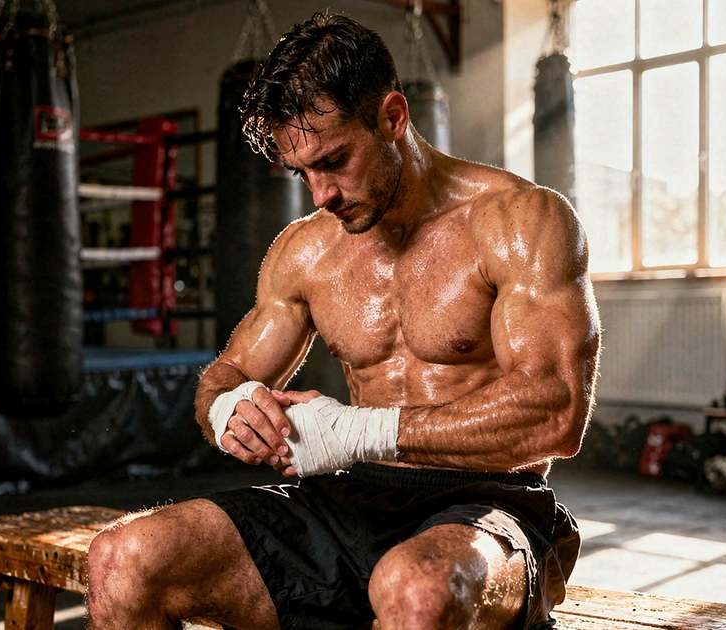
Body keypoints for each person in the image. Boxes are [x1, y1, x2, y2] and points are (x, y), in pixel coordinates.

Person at [87, 12, 600, 630]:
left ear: (392, 117)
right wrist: (230, 409)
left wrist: (357, 432)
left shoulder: (519, 222)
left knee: (414, 592)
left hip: (489, 506)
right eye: (301, 172)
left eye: (333, 160)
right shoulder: (306, 251)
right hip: (350, 501)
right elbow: (222, 378)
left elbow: (555, 412)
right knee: (123, 558)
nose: (320, 194)